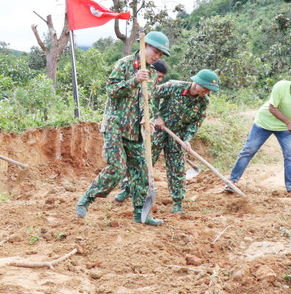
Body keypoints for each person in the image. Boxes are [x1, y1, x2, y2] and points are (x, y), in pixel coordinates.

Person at [75, 31, 171, 226]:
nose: (157, 56)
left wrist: (147, 118)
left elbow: (148, 101)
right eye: (156, 51)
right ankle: (87, 199)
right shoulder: (124, 64)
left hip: (135, 131)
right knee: (118, 168)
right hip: (115, 127)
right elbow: (111, 91)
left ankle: (139, 213)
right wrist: (134, 80)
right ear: (145, 46)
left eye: (161, 54)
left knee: (142, 171)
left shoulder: (152, 74)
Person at [226, 66, 291, 195]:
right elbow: (272, 108)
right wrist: (289, 122)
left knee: (290, 155)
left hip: (284, 129)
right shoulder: (281, 87)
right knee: (249, 150)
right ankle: (232, 182)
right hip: (264, 124)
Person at [150, 69, 219, 215]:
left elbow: (196, 122)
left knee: (177, 168)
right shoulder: (174, 86)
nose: (207, 91)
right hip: (159, 129)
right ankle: (128, 189)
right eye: (205, 87)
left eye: (209, 90)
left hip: (178, 136)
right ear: (196, 82)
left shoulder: (203, 101)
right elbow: (152, 95)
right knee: (146, 160)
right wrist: (157, 116)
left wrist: (187, 139)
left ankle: (177, 203)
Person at [112, 60, 168, 202]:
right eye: (158, 76)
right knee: (132, 162)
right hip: (132, 127)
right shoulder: (140, 85)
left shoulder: (154, 88)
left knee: (142, 163)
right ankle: (126, 189)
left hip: (148, 126)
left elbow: (154, 105)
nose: (159, 80)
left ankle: (138, 193)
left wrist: (153, 118)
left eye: (161, 78)